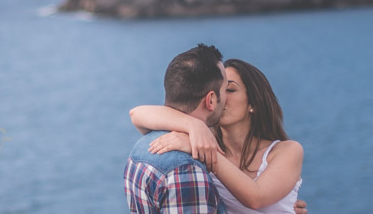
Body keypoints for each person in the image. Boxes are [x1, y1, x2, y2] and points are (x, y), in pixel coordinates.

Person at [131, 58, 307, 214]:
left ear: (253, 103)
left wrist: (204, 149)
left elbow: (256, 198)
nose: (220, 98)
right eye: (218, 90)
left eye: (230, 89)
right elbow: (137, 114)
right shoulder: (201, 138)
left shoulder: (288, 150)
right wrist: (192, 125)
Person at [125, 43, 229, 213]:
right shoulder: (186, 170)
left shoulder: (140, 148)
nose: (227, 99)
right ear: (210, 100)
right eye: (226, 89)